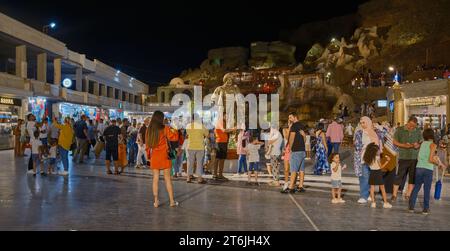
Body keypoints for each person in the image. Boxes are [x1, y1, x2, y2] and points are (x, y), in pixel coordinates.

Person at [409, 129, 445, 214]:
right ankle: (425, 209)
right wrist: (438, 164)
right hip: (427, 169)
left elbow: (418, 156)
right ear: (432, 135)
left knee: (416, 187)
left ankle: (411, 207)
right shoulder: (433, 145)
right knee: (426, 189)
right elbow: (430, 159)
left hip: (419, 167)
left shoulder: (422, 144)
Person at [146, 111, 178, 208]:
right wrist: (174, 128)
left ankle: (156, 201)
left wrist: (148, 157)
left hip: (155, 156)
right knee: (167, 179)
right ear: (161, 119)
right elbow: (175, 137)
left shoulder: (149, 130)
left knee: (155, 179)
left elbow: (147, 145)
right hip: (164, 156)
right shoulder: (165, 128)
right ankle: (172, 201)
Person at [354, 116, 384, 204]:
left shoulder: (376, 132)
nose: (362, 124)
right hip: (364, 157)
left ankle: (371, 194)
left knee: (373, 176)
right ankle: (364, 195)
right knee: (364, 176)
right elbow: (357, 145)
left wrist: (378, 127)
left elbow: (384, 135)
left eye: (364, 122)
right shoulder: (359, 133)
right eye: (361, 123)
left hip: (375, 158)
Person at [392, 116, 422, 202]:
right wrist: (404, 145)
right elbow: (394, 141)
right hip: (403, 157)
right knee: (399, 176)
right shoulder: (400, 130)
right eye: (410, 125)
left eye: (414, 126)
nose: (412, 127)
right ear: (407, 122)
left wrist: (418, 145)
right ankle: (394, 195)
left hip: (414, 157)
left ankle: (408, 194)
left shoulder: (418, 130)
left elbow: (421, 141)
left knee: (412, 177)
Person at [282, 112, 307, 193]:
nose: (289, 119)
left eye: (290, 117)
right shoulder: (301, 125)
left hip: (296, 150)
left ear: (295, 117)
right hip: (302, 150)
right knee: (301, 169)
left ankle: (291, 187)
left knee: (293, 169)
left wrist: (290, 148)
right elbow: (304, 139)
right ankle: (300, 186)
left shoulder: (294, 126)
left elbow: (291, 138)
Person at [363, 142, 393, 209]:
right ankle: (385, 203)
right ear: (375, 151)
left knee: (372, 188)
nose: (380, 151)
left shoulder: (369, 158)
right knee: (382, 188)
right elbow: (381, 167)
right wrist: (387, 161)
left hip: (372, 173)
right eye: (378, 150)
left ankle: (373, 203)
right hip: (378, 173)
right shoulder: (377, 158)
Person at [185, 115, 209, 184]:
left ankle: (188, 178)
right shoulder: (201, 126)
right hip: (199, 147)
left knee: (190, 163)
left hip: (190, 146)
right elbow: (207, 135)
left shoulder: (188, 126)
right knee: (199, 163)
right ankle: (199, 179)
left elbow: (187, 134)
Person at [281, 123, 291, 191]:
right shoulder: (284, 129)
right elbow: (286, 138)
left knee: (293, 169)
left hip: (293, 149)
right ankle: (286, 183)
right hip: (287, 149)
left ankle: (292, 183)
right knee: (286, 169)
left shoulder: (294, 130)